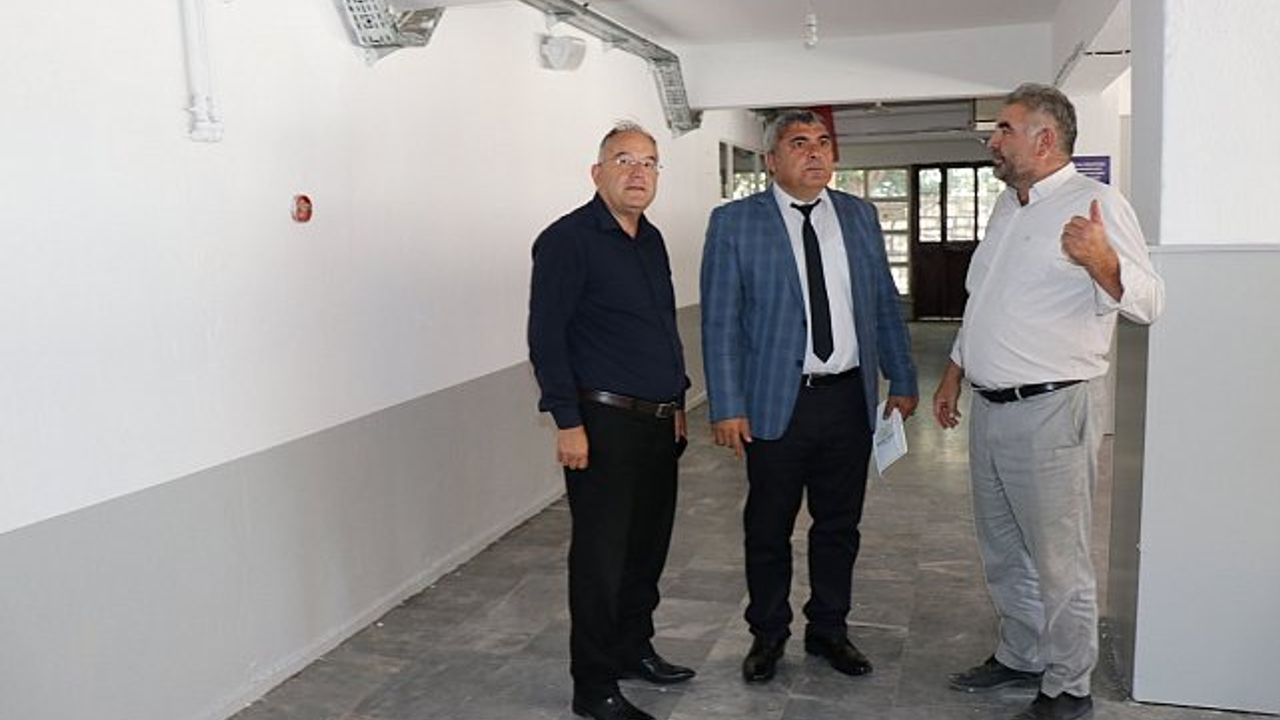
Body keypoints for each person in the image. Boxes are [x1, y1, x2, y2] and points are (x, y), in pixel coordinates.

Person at [932, 84, 1165, 720]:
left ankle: (1069, 686)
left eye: (1003, 130)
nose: (992, 141)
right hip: (989, 407)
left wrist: (1103, 261)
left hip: (1053, 411)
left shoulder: (1097, 203)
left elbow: (1150, 302)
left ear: (1044, 138)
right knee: (1004, 549)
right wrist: (953, 374)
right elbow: (983, 302)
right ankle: (1022, 653)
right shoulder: (1007, 207)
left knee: (1060, 561)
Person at [700, 109, 918, 684]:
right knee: (768, 528)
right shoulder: (735, 223)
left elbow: (883, 303)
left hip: (847, 399)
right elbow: (720, 323)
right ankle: (768, 634)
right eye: (799, 143)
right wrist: (727, 405)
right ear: (772, 160)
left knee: (839, 525)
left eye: (823, 142)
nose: (816, 152)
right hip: (776, 403)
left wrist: (903, 377)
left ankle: (829, 628)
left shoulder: (859, 216)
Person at [527, 121, 695, 720]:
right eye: (624, 160)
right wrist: (567, 421)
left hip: (657, 423)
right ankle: (593, 685)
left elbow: (661, 328)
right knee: (601, 560)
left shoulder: (651, 240)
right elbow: (546, 338)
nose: (638, 172)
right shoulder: (567, 240)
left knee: (646, 550)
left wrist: (678, 402)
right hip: (602, 425)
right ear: (597, 173)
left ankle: (632, 649)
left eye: (649, 162)